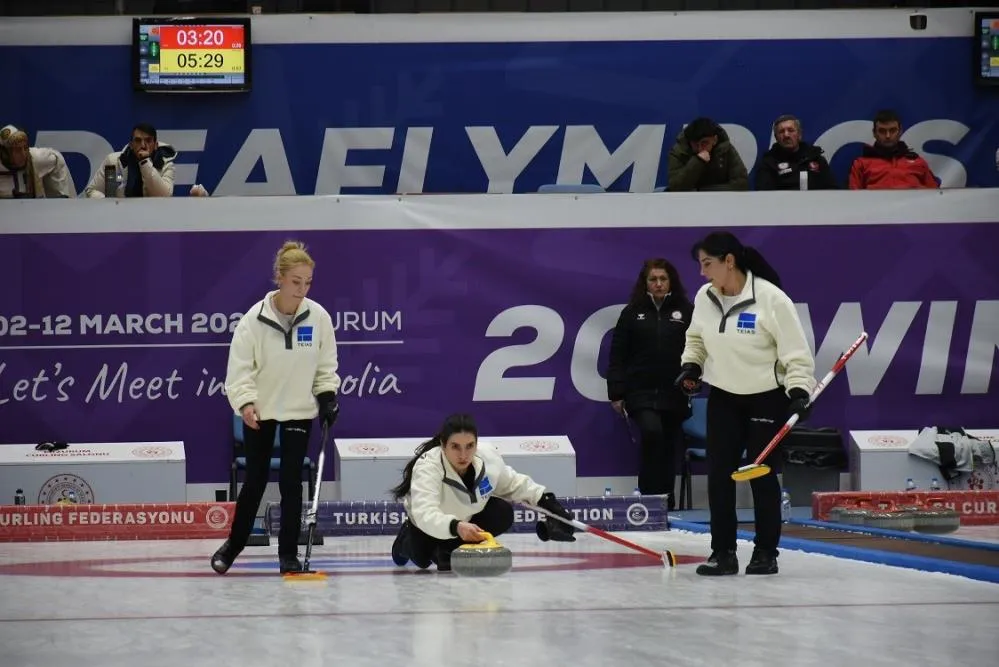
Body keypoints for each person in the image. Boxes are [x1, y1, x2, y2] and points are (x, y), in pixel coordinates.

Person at [675, 231, 815, 577]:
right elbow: (695, 338)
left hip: (766, 398)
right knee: (720, 477)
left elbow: (796, 355)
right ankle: (722, 552)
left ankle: (766, 552)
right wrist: (691, 365)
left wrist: (799, 390)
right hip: (723, 396)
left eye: (707, 264)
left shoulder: (772, 299)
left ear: (729, 261)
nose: (702, 272)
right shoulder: (705, 297)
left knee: (762, 476)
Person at [211, 240, 342, 575]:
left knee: (290, 483)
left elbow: (326, 367)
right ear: (280, 278)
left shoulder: (319, 318)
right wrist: (245, 402)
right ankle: (233, 546)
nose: (302, 289)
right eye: (296, 281)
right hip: (262, 412)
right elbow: (239, 370)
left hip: (299, 411)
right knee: (254, 481)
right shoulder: (253, 321)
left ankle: (288, 555)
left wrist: (327, 397)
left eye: (308, 282)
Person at [389, 413, 576, 572]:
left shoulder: (487, 457)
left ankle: (448, 549)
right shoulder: (428, 467)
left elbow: (513, 483)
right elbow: (425, 514)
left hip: (464, 522)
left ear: (477, 444)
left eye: (469, 446)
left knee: (501, 512)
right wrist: (456, 526)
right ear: (443, 445)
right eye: (455, 446)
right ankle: (405, 540)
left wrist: (548, 502)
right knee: (422, 560)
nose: (463, 455)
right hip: (428, 525)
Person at [606, 258, 693, 507]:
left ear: (671, 281)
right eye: (653, 279)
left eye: (663, 279)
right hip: (640, 392)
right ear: (645, 283)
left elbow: (699, 349)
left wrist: (693, 378)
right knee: (652, 433)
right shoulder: (632, 312)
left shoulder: (686, 311)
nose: (658, 284)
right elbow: (617, 354)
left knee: (669, 444)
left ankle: (666, 501)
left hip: (674, 392)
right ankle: (648, 498)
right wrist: (616, 392)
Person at [848, 110, 937, 190]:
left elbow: (935, 196)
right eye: (882, 131)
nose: (888, 136)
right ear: (874, 133)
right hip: (876, 207)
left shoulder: (918, 162)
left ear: (900, 131)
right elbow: (854, 200)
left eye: (892, 130)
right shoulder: (860, 164)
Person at [84, 123, 176, 198]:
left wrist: (145, 162)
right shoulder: (114, 162)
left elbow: (164, 197)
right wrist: (110, 205)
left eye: (148, 141)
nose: (143, 145)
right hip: (120, 216)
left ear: (156, 145)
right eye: (138, 141)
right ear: (131, 145)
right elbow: (93, 191)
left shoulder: (165, 165)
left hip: (152, 216)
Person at [754, 115, 837, 191]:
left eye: (791, 130)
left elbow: (833, 190)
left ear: (799, 134)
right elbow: (763, 195)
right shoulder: (768, 163)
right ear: (776, 137)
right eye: (781, 131)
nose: (786, 135)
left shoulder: (816, 158)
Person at [666, 117, 749, 192]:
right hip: (688, 202)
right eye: (695, 144)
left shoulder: (726, 149)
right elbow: (675, 187)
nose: (700, 149)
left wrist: (703, 191)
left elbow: (741, 184)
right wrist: (697, 161)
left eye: (704, 143)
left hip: (721, 201)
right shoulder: (679, 151)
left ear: (715, 140)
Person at [0, 124, 75, 198]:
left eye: (25, 147)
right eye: (17, 150)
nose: (23, 154)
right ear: (5, 153)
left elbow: (56, 158)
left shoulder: (37, 158)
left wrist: (60, 197)